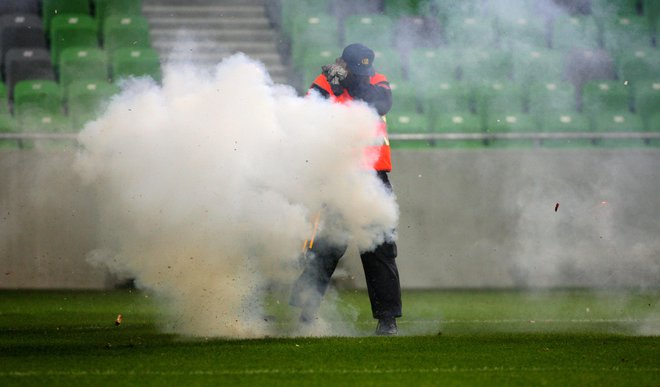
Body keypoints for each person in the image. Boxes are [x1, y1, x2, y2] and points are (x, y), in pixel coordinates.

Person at [290, 43, 402, 335]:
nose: (366, 73)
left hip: (374, 175)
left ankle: (387, 318)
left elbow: (381, 103)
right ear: (344, 62)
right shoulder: (323, 84)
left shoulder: (377, 81)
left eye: (367, 68)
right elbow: (306, 119)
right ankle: (305, 311)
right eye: (358, 69)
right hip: (338, 175)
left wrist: (351, 82)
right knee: (327, 246)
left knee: (380, 247)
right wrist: (332, 91)